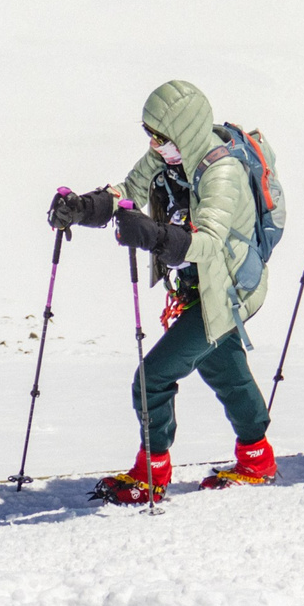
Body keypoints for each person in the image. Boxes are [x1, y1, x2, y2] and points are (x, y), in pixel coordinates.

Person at [49, 79, 278, 501]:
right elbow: (128, 193)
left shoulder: (221, 171)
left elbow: (208, 242)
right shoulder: (165, 158)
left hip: (226, 292)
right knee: (224, 369)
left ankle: (151, 474)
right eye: (150, 134)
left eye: (162, 135)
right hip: (196, 287)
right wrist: (82, 208)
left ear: (185, 131)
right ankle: (257, 458)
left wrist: (154, 235)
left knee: (151, 379)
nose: (155, 144)